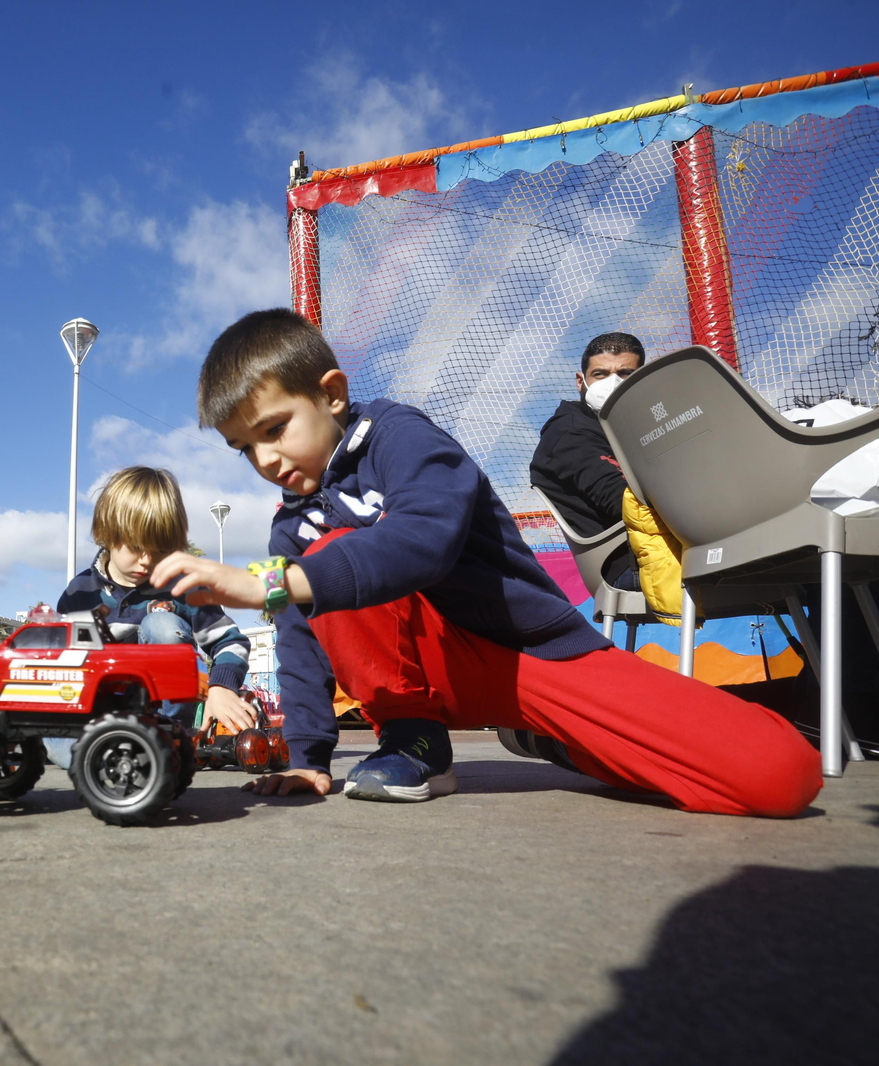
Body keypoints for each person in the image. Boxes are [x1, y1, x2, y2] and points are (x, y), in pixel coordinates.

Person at [148, 308, 821, 818]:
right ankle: (414, 741)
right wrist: (308, 758)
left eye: (274, 429)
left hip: (527, 656)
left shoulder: (400, 437)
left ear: (331, 394)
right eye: (245, 448)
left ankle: (545, 735)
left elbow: (421, 542)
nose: (265, 459)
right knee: (322, 557)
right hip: (425, 679)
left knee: (779, 775)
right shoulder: (292, 525)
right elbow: (300, 644)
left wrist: (268, 583)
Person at [46, 466, 253, 768]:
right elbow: (58, 660)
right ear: (107, 533)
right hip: (99, 716)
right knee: (50, 737)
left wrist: (221, 688)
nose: (146, 561)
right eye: (135, 547)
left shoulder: (183, 587)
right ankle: (113, 758)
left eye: (159, 550)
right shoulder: (82, 592)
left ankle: (167, 738)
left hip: (162, 717)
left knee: (161, 624)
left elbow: (231, 642)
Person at [529, 332, 645, 591]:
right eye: (600, 374)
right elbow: (623, 502)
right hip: (627, 565)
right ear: (581, 382)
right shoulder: (572, 432)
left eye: (626, 373)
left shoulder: (631, 428)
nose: (613, 383)